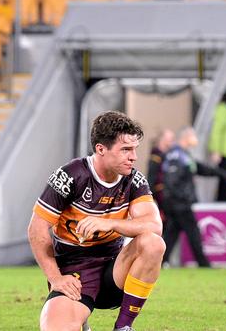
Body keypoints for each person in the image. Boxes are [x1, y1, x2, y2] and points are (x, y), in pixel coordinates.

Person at [28, 111, 165, 331]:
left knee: (153, 243)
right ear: (101, 149)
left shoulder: (134, 179)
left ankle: (123, 327)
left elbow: (154, 225)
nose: (134, 157)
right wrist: (55, 278)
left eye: (134, 149)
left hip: (115, 268)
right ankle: (81, 319)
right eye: (126, 150)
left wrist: (109, 223)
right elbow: (37, 228)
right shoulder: (69, 176)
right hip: (75, 272)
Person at [161, 126, 226, 268]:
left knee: (172, 233)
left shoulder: (184, 155)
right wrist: (184, 197)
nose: (196, 138)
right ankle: (203, 264)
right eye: (193, 136)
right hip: (179, 203)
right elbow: (172, 181)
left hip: (178, 202)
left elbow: (198, 168)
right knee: (193, 232)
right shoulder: (176, 155)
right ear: (186, 138)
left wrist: (219, 173)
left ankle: (159, 261)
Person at [146, 129, 175, 220]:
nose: (173, 142)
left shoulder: (168, 155)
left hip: (169, 196)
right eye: (171, 139)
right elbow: (151, 178)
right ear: (163, 140)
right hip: (160, 196)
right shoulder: (156, 157)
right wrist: (152, 199)